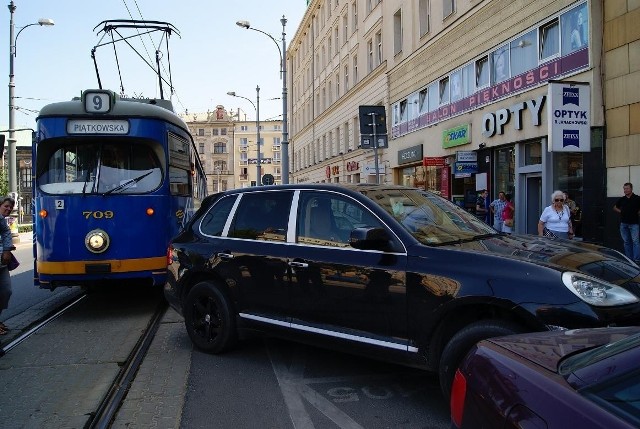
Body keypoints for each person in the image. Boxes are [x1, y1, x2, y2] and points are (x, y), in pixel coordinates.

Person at [0, 197, 16, 336]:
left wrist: (6, 249)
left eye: (10, 207)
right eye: (6, 206)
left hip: (1, 264)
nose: (8, 209)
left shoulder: (2, 221)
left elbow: (6, 233)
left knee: (6, 291)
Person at [613, 182, 640, 263]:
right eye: (624, 189)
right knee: (626, 242)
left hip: (634, 223)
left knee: (635, 242)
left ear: (631, 189)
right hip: (623, 224)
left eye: (627, 188)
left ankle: (637, 260)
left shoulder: (637, 198)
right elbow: (614, 207)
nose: (625, 190)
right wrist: (621, 211)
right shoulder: (622, 199)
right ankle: (629, 259)